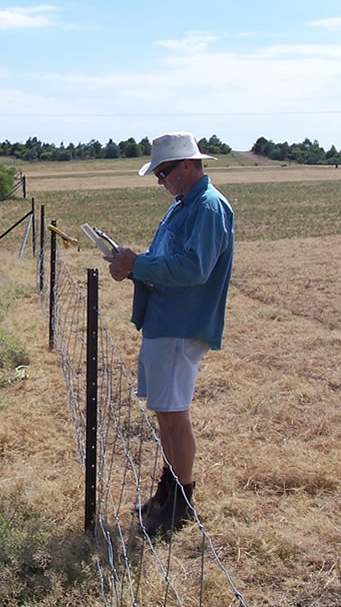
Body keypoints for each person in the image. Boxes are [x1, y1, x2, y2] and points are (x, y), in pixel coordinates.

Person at [106, 131, 234, 537]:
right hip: (166, 322)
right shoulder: (184, 206)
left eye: (162, 172)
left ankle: (180, 503)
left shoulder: (208, 208)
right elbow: (167, 264)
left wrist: (138, 265)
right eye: (158, 175)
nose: (160, 182)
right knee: (167, 414)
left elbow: (194, 270)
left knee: (175, 417)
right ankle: (168, 494)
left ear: (187, 165)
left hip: (182, 325)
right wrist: (132, 268)